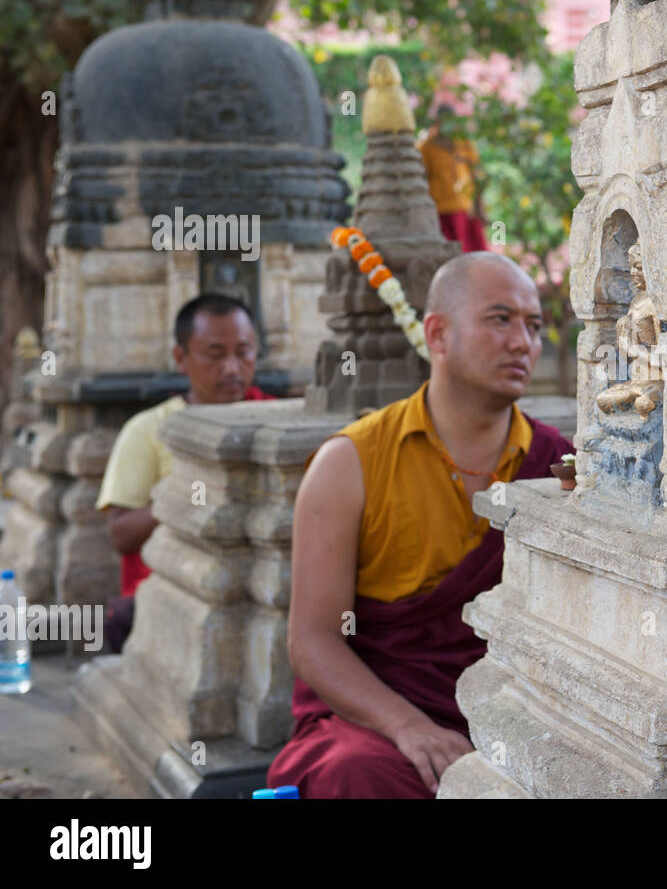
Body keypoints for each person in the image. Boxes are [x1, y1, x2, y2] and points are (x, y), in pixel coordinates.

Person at [267, 252, 574, 798]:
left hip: (511, 711)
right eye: (500, 319)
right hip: (382, 715)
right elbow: (313, 641)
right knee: (353, 772)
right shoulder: (350, 463)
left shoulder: (559, 465)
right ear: (437, 333)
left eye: (533, 325)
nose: (523, 342)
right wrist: (407, 726)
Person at [96, 294, 274, 653]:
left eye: (243, 352)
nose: (231, 368)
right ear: (181, 358)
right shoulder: (149, 429)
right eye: (214, 354)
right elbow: (121, 534)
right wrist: (191, 493)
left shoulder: (276, 421)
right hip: (173, 589)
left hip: (261, 585)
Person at [418, 104, 489, 252]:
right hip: (441, 212)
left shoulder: (464, 145)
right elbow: (421, 180)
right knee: (450, 255)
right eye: (442, 121)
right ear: (436, 122)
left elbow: (476, 176)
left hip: (466, 209)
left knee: (474, 255)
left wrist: (480, 208)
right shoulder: (427, 148)